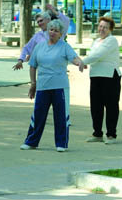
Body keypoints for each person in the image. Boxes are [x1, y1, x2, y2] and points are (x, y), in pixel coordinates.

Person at [20, 20, 83, 152]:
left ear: (61, 34)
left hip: (59, 86)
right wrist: (33, 84)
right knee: (38, 115)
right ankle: (31, 141)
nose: (52, 32)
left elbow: (75, 58)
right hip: (43, 85)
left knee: (60, 115)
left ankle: (61, 143)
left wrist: (80, 63)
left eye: (56, 30)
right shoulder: (40, 46)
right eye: (51, 29)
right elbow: (32, 65)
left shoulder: (64, 46)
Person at [79, 17, 122, 144]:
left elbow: (98, 55)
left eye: (105, 27)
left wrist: (82, 61)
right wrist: (86, 61)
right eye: (100, 26)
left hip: (110, 77)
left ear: (110, 30)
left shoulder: (112, 40)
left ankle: (111, 135)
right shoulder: (96, 40)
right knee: (96, 106)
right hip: (96, 76)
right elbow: (93, 55)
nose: (101, 29)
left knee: (111, 106)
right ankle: (97, 133)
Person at [13, 4, 69, 70]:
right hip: (43, 69)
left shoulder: (58, 31)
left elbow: (66, 20)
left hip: (58, 68)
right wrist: (20, 60)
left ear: (48, 20)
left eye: (41, 20)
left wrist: (54, 11)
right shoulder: (37, 36)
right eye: (38, 22)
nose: (39, 23)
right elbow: (26, 48)